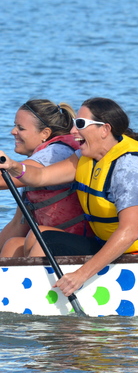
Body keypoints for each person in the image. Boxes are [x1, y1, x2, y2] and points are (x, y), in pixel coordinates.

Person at [0, 97, 138, 297]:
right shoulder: (84, 157)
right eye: (74, 124)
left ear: (105, 129)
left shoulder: (128, 167)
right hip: (112, 246)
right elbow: (41, 176)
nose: (73, 131)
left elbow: (129, 232)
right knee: (40, 236)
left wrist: (80, 275)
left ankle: (38, 300)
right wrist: (13, 166)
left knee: (43, 242)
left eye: (80, 124)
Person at [0, 99, 93, 257]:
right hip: (55, 238)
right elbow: (18, 224)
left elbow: (3, 180)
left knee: (39, 234)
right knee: (13, 244)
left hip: (81, 242)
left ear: (45, 133)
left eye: (21, 128)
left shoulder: (56, 153)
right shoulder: (37, 160)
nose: (13, 132)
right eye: (15, 126)